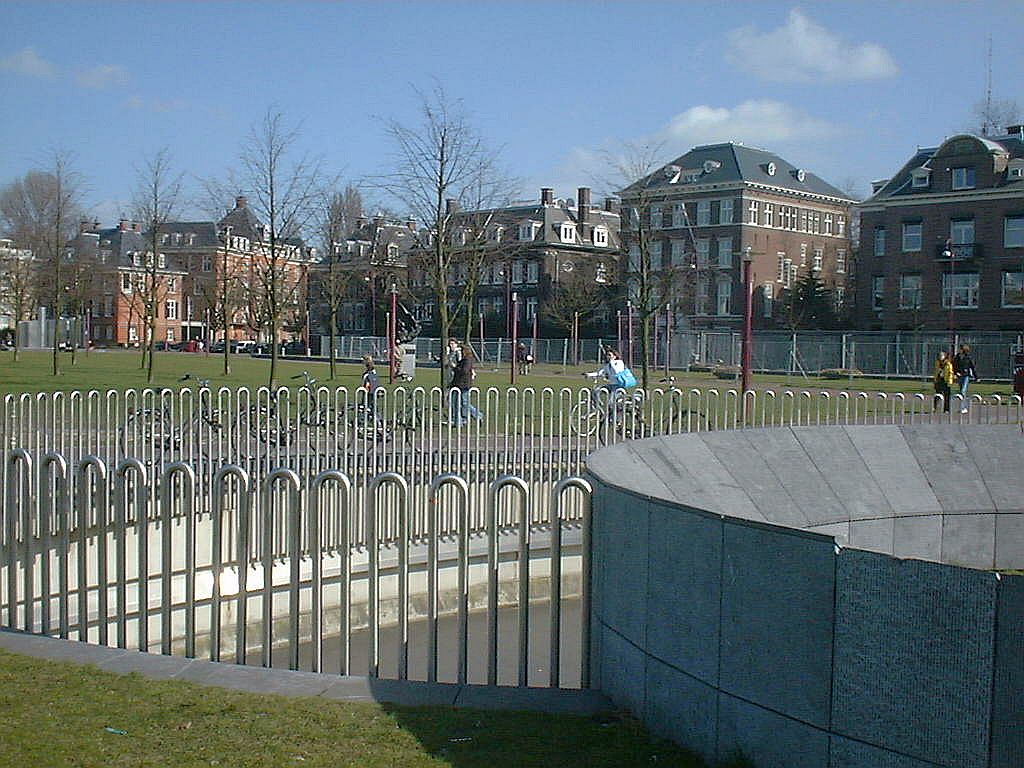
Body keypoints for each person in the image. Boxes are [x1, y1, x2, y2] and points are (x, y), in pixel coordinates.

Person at [452, 344, 484, 426]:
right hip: (460, 383)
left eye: (460, 351)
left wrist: (455, 367)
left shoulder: (468, 359)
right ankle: (460, 420)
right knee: (459, 403)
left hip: (464, 384)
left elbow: (465, 371)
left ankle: (478, 415)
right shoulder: (463, 359)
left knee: (464, 402)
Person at [952, 343, 977, 414]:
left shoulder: (968, 357)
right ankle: (962, 406)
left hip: (966, 375)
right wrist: (956, 373)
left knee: (963, 390)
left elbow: (972, 367)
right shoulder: (957, 357)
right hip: (959, 376)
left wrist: (976, 377)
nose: (959, 350)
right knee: (961, 392)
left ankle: (964, 408)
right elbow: (954, 365)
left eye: (961, 349)